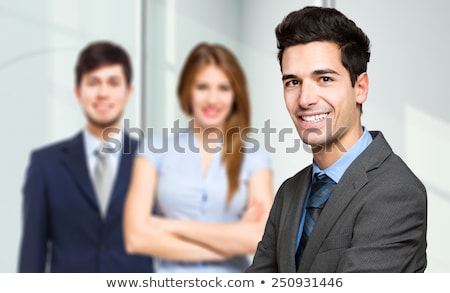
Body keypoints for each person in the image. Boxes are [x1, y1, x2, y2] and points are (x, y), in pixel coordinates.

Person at [246, 6, 427, 273]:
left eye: (325, 79)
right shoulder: (290, 192)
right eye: (293, 82)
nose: (305, 99)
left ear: (360, 88)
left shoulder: (395, 193)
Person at [123, 42, 274, 273]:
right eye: (202, 87)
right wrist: (228, 243)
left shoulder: (253, 158)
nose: (212, 99)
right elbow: (136, 237)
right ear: (187, 90)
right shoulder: (153, 151)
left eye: (223, 88)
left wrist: (170, 226)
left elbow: (261, 237)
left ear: (235, 95)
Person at [18, 41, 154, 273]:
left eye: (113, 83)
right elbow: (32, 252)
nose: (103, 93)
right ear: (78, 92)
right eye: (93, 83)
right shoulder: (45, 165)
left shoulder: (152, 161)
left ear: (128, 92)